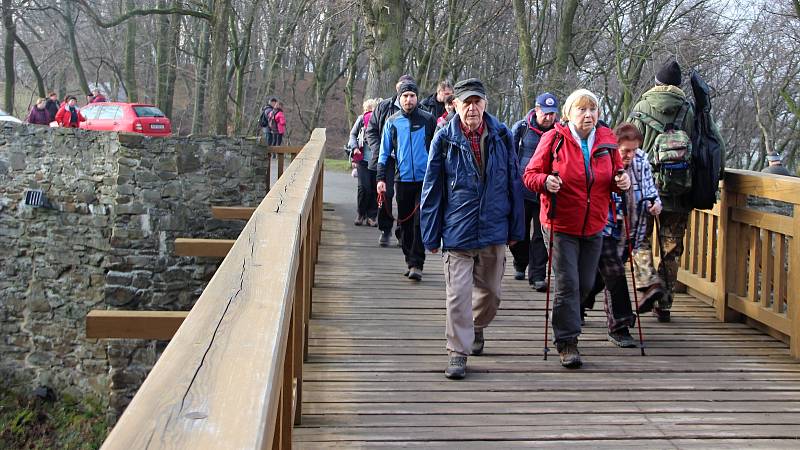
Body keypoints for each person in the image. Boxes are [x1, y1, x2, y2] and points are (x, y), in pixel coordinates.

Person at [420, 78, 524, 379]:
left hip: (493, 228)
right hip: (457, 229)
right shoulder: (444, 138)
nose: (473, 108)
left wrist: (516, 229)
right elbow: (432, 188)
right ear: (455, 105)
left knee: (491, 294)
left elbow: (514, 183)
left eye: (477, 102)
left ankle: (475, 327)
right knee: (458, 296)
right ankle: (457, 352)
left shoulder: (502, 135)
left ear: (485, 105)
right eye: (467, 103)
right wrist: (430, 233)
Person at [523, 88, 630, 368]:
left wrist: (622, 182)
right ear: (569, 113)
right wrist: (546, 181)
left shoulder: (607, 141)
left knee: (586, 284)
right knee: (567, 284)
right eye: (582, 109)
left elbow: (617, 174)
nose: (588, 115)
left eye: (592, 109)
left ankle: (567, 318)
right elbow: (530, 176)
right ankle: (567, 342)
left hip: (595, 223)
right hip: (560, 223)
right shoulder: (554, 138)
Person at [628, 59, 695, 323]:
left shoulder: (641, 108)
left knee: (639, 241)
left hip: (645, 190)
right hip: (679, 192)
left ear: (656, 83)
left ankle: (647, 284)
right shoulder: (688, 111)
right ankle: (664, 303)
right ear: (678, 87)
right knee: (671, 248)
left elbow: (627, 146)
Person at [584, 123, 662, 347]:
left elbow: (650, 190)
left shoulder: (641, 161)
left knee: (600, 277)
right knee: (615, 273)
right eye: (626, 151)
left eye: (634, 150)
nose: (630, 155)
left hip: (632, 228)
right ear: (615, 146)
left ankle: (580, 303)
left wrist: (655, 204)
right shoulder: (602, 160)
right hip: (604, 227)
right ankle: (620, 326)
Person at [377, 80, 435, 281]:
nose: (408, 99)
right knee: (405, 223)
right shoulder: (392, 122)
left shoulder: (428, 119)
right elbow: (384, 153)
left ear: (417, 98)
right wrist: (381, 178)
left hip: (424, 180)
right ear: (399, 98)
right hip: (402, 179)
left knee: (420, 221)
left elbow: (438, 151)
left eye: (412, 95)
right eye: (405, 96)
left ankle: (417, 263)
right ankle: (409, 258)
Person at [510, 92, 559, 291]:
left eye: (552, 114)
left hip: (545, 191)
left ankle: (538, 275)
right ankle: (521, 262)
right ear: (536, 110)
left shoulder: (559, 132)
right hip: (522, 190)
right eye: (545, 113)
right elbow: (509, 157)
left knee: (541, 234)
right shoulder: (521, 128)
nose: (549, 118)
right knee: (518, 232)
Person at [366, 75, 416, 247]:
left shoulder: (419, 111)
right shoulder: (383, 106)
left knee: (405, 197)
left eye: (410, 90)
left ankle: (403, 232)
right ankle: (385, 229)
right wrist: (379, 149)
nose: (407, 96)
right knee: (386, 194)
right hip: (386, 159)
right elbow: (371, 130)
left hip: (407, 160)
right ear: (397, 88)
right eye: (403, 88)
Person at [347, 98, 380, 226]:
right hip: (362, 159)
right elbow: (352, 135)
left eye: (371, 110)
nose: (369, 113)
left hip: (376, 160)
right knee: (363, 188)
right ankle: (361, 213)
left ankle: (372, 216)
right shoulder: (361, 120)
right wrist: (354, 148)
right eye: (367, 110)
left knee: (374, 188)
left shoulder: (380, 121)